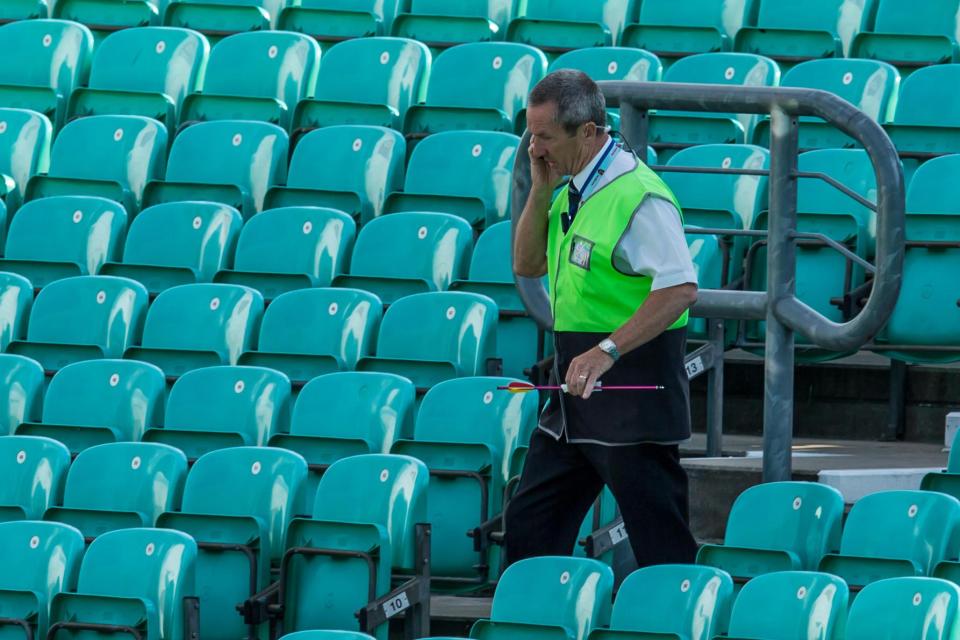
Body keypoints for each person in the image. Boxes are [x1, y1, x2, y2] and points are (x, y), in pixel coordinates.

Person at [506, 69, 699, 568]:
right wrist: (541, 188)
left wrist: (607, 349)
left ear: (587, 132)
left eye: (545, 137)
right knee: (529, 529)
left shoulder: (639, 194)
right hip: (574, 397)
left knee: (662, 546)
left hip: (632, 396)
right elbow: (527, 265)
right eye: (532, 134)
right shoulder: (569, 183)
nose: (535, 147)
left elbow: (680, 289)